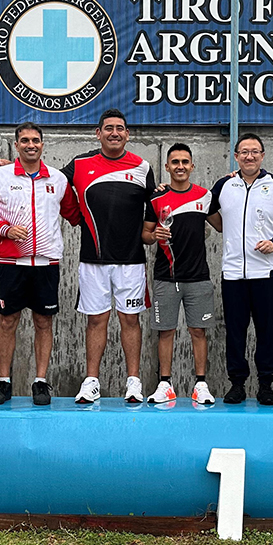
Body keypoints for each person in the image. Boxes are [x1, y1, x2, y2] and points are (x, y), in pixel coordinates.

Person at [0, 122, 80, 406]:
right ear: (17, 144)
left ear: (43, 144)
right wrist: (5, 230)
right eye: (25, 141)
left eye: (35, 140)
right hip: (12, 262)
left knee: (43, 321)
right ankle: (4, 381)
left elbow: (74, 213)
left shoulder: (57, 179)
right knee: (8, 321)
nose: (31, 145)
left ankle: (41, 382)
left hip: (46, 262)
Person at [62, 109, 156, 403]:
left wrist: (150, 235)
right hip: (93, 261)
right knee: (96, 321)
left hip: (132, 262)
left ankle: (134, 382)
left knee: (130, 320)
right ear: (98, 133)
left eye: (120, 128)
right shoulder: (79, 164)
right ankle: (91, 382)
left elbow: (155, 207)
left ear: (128, 134)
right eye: (108, 128)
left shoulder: (143, 167)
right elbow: (47, 184)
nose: (114, 133)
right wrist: (7, 166)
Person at [209, 133, 273, 406]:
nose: (249, 156)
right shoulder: (224, 185)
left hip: (266, 273)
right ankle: (237, 384)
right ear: (236, 156)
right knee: (235, 331)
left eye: (254, 152)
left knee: (266, 331)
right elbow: (204, 208)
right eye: (244, 152)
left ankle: (266, 385)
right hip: (233, 272)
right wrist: (222, 228)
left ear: (262, 155)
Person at [141, 143, 216, 405]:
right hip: (166, 277)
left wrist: (232, 182)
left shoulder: (205, 196)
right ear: (167, 166)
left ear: (192, 166)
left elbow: (221, 223)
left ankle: (201, 385)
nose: (180, 166)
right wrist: (154, 235)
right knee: (166, 332)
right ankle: (165, 385)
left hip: (198, 277)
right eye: (175, 162)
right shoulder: (156, 198)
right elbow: (146, 236)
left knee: (198, 331)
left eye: (185, 161)